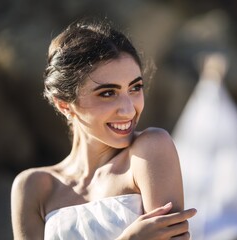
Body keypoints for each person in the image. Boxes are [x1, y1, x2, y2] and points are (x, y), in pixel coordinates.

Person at [10, 17, 196, 240]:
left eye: (135, 88)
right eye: (108, 93)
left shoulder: (149, 151)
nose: (128, 110)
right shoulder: (33, 188)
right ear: (64, 105)